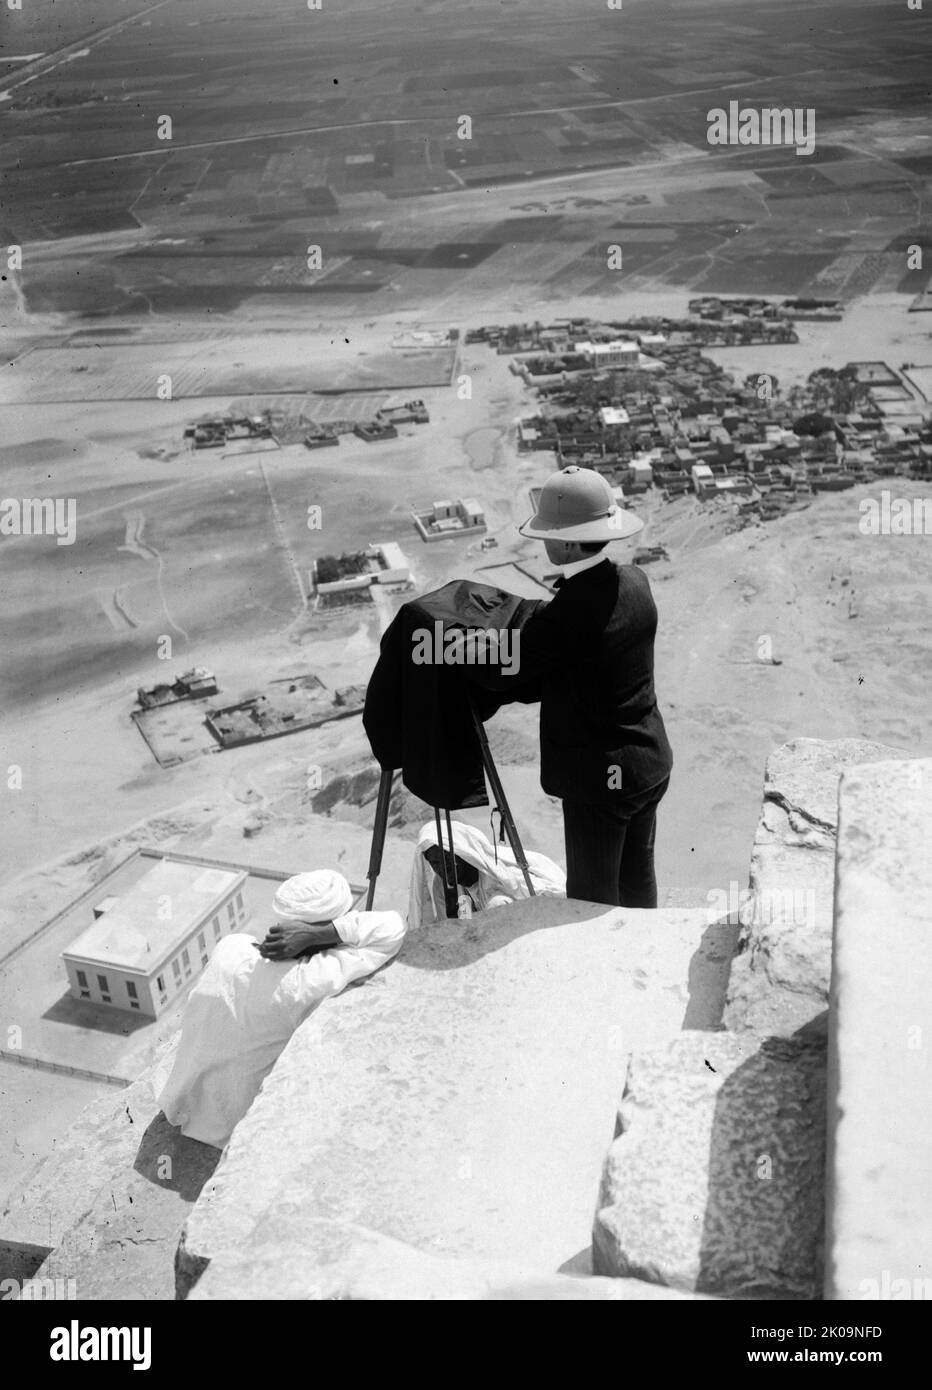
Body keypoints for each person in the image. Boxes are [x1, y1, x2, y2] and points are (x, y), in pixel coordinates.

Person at [472, 466, 673, 909]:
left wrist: (470, 645)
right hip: (648, 763)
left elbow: (505, 670)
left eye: (545, 534)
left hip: (602, 783)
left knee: (591, 902)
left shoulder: (566, 616)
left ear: (565, 541)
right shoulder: (635, 582)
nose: (541, 542)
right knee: (637, 883)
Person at [158, 870, 405, 1149]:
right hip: (235, 1130)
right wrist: (321, 935)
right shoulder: (308, 981)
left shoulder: (231, 947)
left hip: (186, 1106)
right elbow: (393, 927)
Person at [409, 818, 565, 928]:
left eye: (446, 858)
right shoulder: (443, 884)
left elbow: (547, 898)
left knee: (496, 905)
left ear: (462, 853)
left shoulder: (499, 872)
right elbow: (447, 925)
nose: (442, 867)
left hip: (526, 927)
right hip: (476, 938)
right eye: (435, 863)